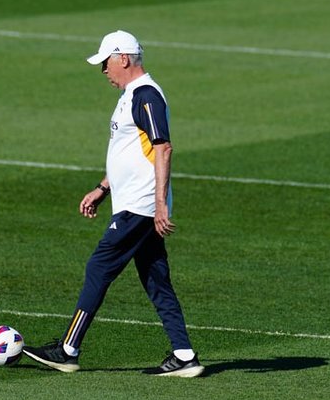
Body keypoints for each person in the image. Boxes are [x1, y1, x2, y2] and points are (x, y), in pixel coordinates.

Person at [23, 30, 203, 378]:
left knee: (98, 268)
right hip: (135, 202)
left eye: (105, 62)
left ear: (123, 58)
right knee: (156, 279)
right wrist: (102, 188)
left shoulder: (146, 94)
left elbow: (162, 147)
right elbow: (132, 153)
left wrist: (159, 205)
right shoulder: (132, 94)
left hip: (139, 205)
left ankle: (68, 349)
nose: (103, 70)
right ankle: (184, 355)